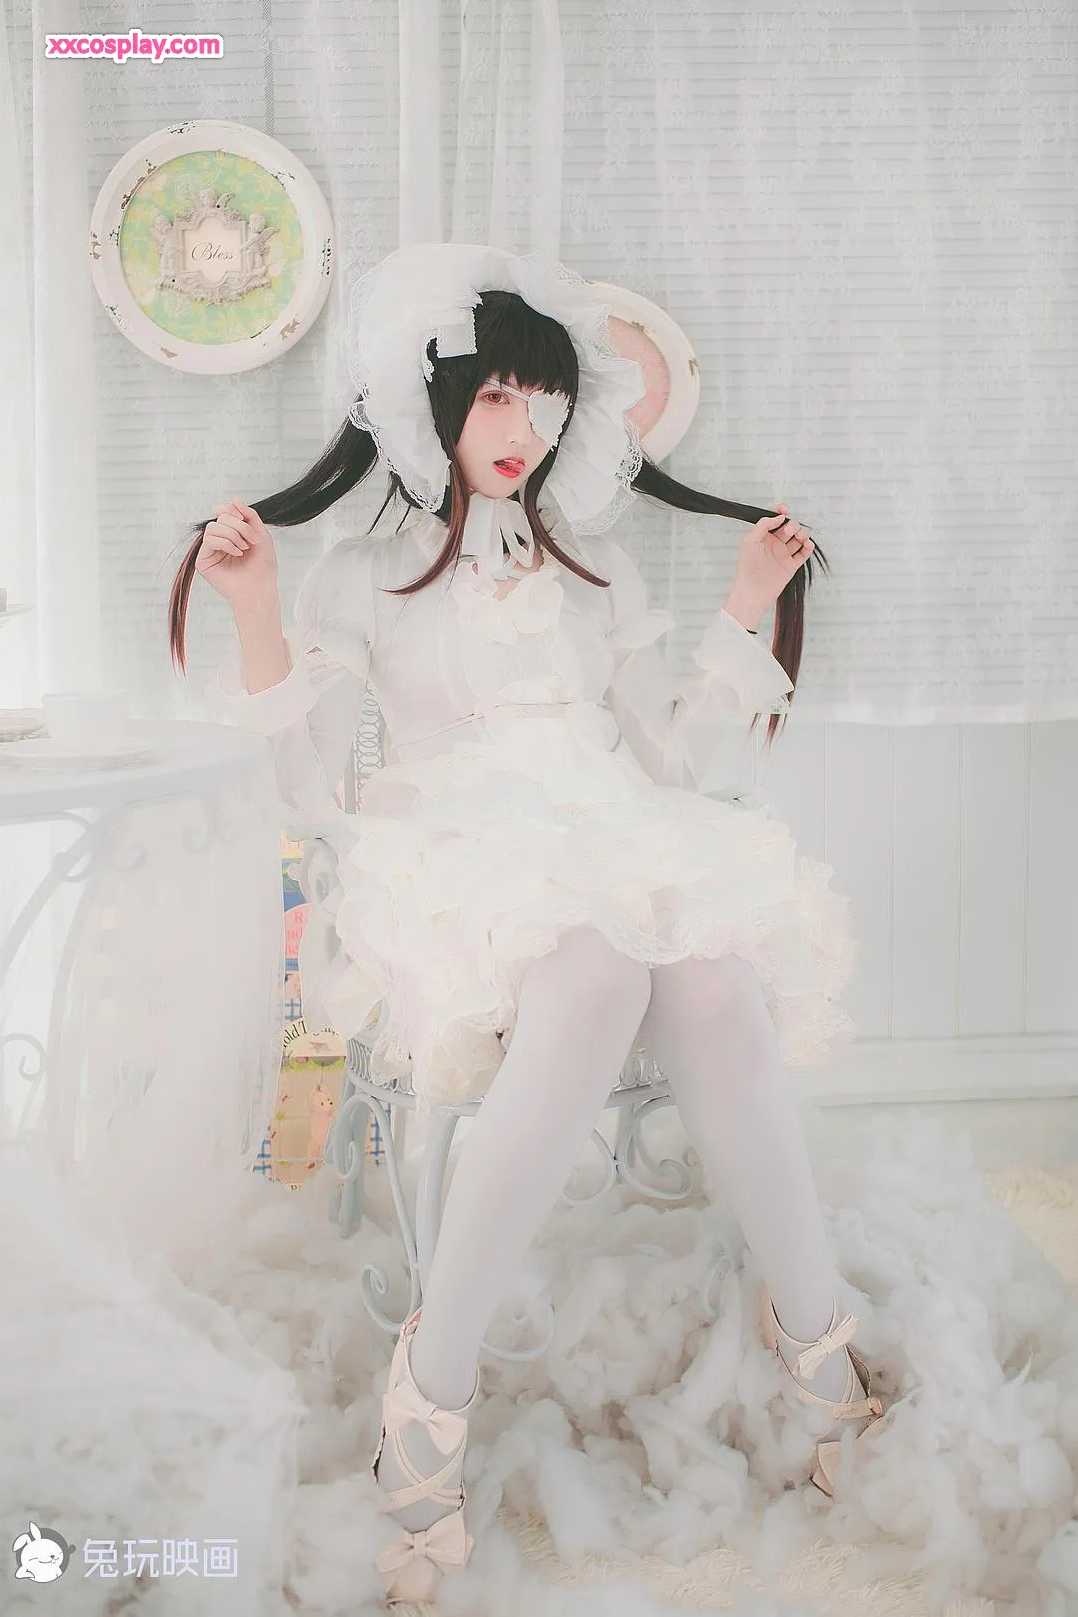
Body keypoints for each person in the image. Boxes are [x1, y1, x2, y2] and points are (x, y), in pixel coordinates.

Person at [169, 243, 889, 1604]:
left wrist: (747, 603)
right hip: (450, 850)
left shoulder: (595, 571)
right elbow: (308, 781)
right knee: (603, 970)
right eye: (500, 396)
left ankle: (816, 1338)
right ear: (431, 402)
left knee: (714, 980)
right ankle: (431, 1391)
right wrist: (255, 606)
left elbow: (666, 763)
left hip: (610, 828)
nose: (527, 429)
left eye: (546, 403)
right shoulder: (365, 575)